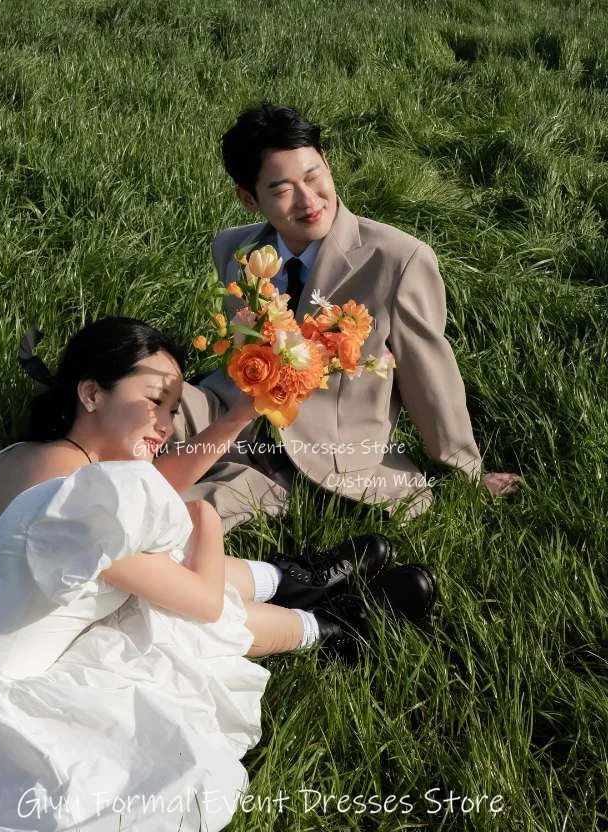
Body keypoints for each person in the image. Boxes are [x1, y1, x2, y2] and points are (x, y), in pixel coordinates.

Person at [0, 317, 436, 832]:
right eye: (156, 401)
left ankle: (292, 577)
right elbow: (202, 601)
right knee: (165, 616)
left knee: (152, 553)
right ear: (92, 392)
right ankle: (330, 625)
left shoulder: (42, 457)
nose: (165, 423)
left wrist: (241, 411)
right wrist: (206, 525)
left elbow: (151, 482)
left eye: (175, 408)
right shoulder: (75, 499)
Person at [163, 104, 520, 530]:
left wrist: (467, 471)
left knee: (185, 514)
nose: (309, 200)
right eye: (281, 190)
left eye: (314, 176)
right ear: (248, 199)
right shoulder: (233, 248)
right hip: (229, 411)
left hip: (322, 448)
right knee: (130, 408)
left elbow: (431, 377)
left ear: (327, 163)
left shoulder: (398, 260)